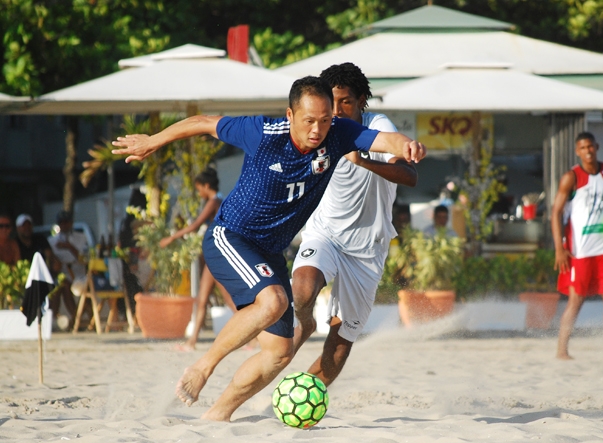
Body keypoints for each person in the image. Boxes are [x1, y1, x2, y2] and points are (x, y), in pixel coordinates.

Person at [112, 75, 426, 421]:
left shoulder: (338, 134)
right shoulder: (262, 132)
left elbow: (388, 140)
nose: (317, 130)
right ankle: (203, 366)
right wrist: (152, 141)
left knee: (279, 353)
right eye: (309, 121)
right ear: (290, 115)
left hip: (271, 252)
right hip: (232, 237)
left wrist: (407, 145)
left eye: (325, 120)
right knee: (274, 302)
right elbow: (203, 122)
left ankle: (217, 415)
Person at [291, 63, 418, 387]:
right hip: (326, 235)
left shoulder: (377, 127)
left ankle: (302, 396)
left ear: (361, 100)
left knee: (339, 346)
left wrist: (361, 159)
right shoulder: (321, 129)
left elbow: (409, 175)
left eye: (345, 102)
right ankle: (305, 325)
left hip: (367, 249)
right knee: (303, 290)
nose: (336, 111)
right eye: (330, 103)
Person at [552, 132, 603, 360]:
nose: (588, 151)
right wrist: (559, 248)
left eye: (590, 146)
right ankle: (562, 350)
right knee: (576, 300)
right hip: (580, 250)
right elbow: (555, 213)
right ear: (578, 151)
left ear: (597, 146)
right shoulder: (571, 177)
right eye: (583, 148)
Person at [159, 166, 238, 352]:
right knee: (203, 299)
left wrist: (172, 237)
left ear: (206, 185)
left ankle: (254, 337)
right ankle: (192, 342)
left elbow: (195, 225)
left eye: (199, 188)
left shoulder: (215, 200)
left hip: (218, 255)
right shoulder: (218, 200)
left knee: (227, 299)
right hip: (215, 256)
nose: (198, 192)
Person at [48, 210, 88, 321]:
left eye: (66, 222)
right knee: (59, 287)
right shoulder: (52, 241)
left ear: (71, 223)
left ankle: (76, 319)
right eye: (61, 222)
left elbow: (84, 258)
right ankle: (54, 318)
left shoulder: (81, 237)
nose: (64, 225)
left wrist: (69, 247)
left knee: (64, 284)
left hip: (78, 275)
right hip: (60, 274)